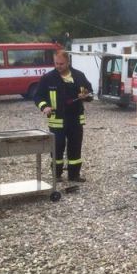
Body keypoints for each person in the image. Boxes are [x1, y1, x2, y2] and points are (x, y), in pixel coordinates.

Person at [34, 49, 93, 182]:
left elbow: (90, 92)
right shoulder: (48, 78)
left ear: (68, 62)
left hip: (75, 119)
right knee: (57, 148)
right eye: (56, 63)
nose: (58, 66)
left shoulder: (79, 76)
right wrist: (44, 106)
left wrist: (85, 95)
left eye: (61, 64)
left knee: (75, 147)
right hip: (57, 121)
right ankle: (57, 175)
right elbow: (38, 96)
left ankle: (74, 175)